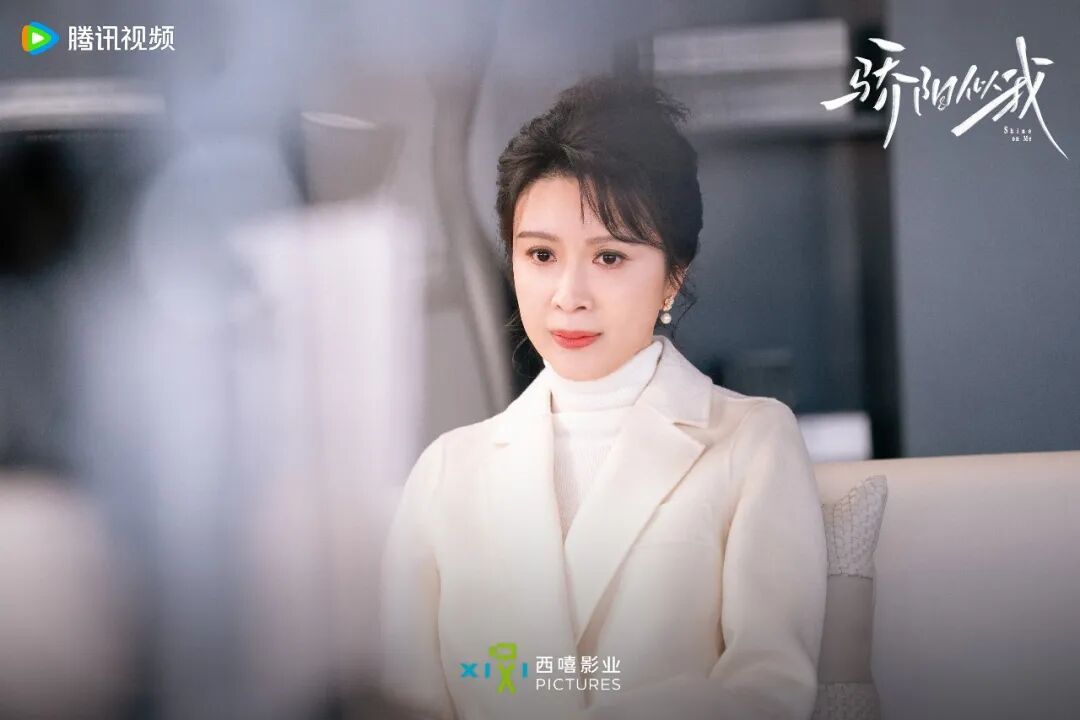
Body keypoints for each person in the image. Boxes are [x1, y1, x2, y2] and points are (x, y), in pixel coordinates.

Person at [380, 75, 827, 720]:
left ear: (673, 276)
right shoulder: (446, 471)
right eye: (541, 255)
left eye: (610, 258)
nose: (569, 296)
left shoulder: (752, 440)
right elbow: (403, 702)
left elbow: (770, 690)